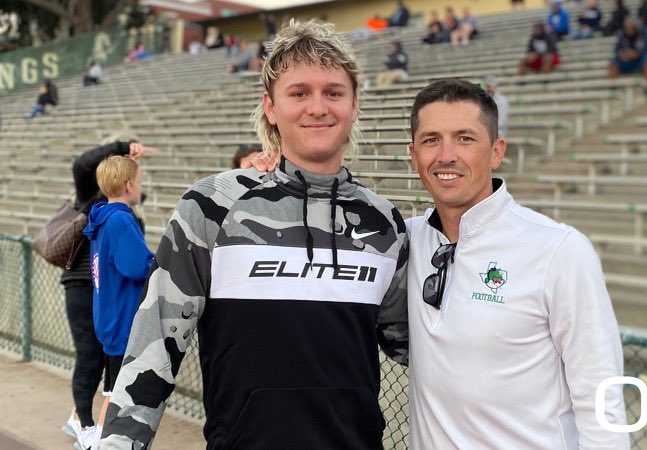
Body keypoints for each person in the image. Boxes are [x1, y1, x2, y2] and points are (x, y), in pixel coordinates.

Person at [99, 20, 409, 449]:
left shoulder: (385, 222)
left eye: (333, 92)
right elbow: (156, 339)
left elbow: (418, 347)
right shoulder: (210, 205)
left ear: (354, 104)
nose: (317, 107)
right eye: (299, 93)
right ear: (271, 106)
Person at [405, 78, 628, 449]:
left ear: (496, 152)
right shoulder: (407, 240)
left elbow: (602, 398)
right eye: (431, 140)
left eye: (465, 138)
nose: (446, 155)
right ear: (414, 155)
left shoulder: (559, 250)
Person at [59, 135, 156, 449]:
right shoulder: (117, 218)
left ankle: (97, 434)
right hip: (120, 316)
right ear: (128, 185)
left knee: (111, 385)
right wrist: (158, 260)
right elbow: (135, 265)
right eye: (138, 181)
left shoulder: (101, 219)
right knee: (114, 387)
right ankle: (97, 436)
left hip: (107, 312)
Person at [608, 18, 647, 97]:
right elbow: (616, 50)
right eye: (627, 27)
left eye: (630, 27)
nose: (628, 29)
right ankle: (612, 87)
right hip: (627, 61)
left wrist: (637, 54)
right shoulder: (622, 35)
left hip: (641, 59)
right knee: (613, 61)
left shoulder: (645, 33)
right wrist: (623, 54)